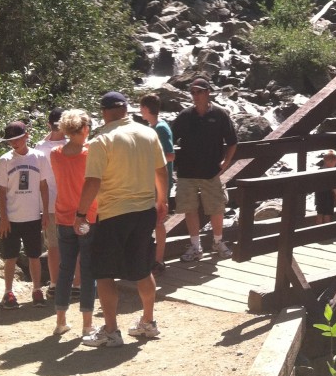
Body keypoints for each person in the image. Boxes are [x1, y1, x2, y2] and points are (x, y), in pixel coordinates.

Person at [76, 91, 168, 347]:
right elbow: (160, 170)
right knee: (142, 268)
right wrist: (162, 200)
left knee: (104, 273)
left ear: (104, 112)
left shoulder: (101, 140)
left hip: (114, 213)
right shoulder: (149, 133)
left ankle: (111, 331)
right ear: (126, 109)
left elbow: (92, 181)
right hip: (144, 211)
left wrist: (81, 214)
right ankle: (148, 323)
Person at [171, 77, 238, 262]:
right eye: (192, 92)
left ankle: (218, 242)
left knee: (216, 207)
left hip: (211, 171)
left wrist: (225, 163)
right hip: (186, 172)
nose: (195, 95)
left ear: (208, 92)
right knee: (189, 208)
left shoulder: (220, 114)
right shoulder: (185, 116)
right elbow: (169, 140)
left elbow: (232, 142)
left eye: (199, 91)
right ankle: (195, 246)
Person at [50, 109, 97, 338]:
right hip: (88, 217)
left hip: (63, 218)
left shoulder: (55, 154)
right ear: (85, 129)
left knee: (65, 269)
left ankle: (61, 321)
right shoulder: (90, 154)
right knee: (88, 270)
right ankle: (87, 324)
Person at [0, 121, 50, 309]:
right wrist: (3, 218)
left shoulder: (39, 157)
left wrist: (45, 213)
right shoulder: (5, 160)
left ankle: (37, 290)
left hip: (33, 216)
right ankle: (8, 292)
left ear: (26, 136)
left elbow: (43, 186)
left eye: (17, 138)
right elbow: (1, 191)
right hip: (11, 218)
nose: (14, 143)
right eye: (10, 141)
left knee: (34, 255)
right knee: (10, 256)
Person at [140, 93, 175, 275]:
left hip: (159, 183)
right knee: (153, 221)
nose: (140, 111)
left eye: (141, 107)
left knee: (158, 221)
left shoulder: (160, 129)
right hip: (151, 182)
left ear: (146, 109)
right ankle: (153, 259)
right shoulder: (155, 127)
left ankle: (159, 260)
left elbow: (170, 155)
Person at [37, 107, 66, 298]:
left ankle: (55, 284)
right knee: (74, 244)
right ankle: (75, 283)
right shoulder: (76, 144)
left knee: (53, 245)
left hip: (47, 203)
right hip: (71, 201)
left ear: (49, 124)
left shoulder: (39, 148)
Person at [315, 149, 336, 224]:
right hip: (328, 196)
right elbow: (333, 185)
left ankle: (317, 229)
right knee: (327, 214)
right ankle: (326, 230)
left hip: (319, 195)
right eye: (335, 163)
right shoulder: (331, 172)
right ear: (330, 162)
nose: (335, 165)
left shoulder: (319, 170)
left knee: (319, 213)